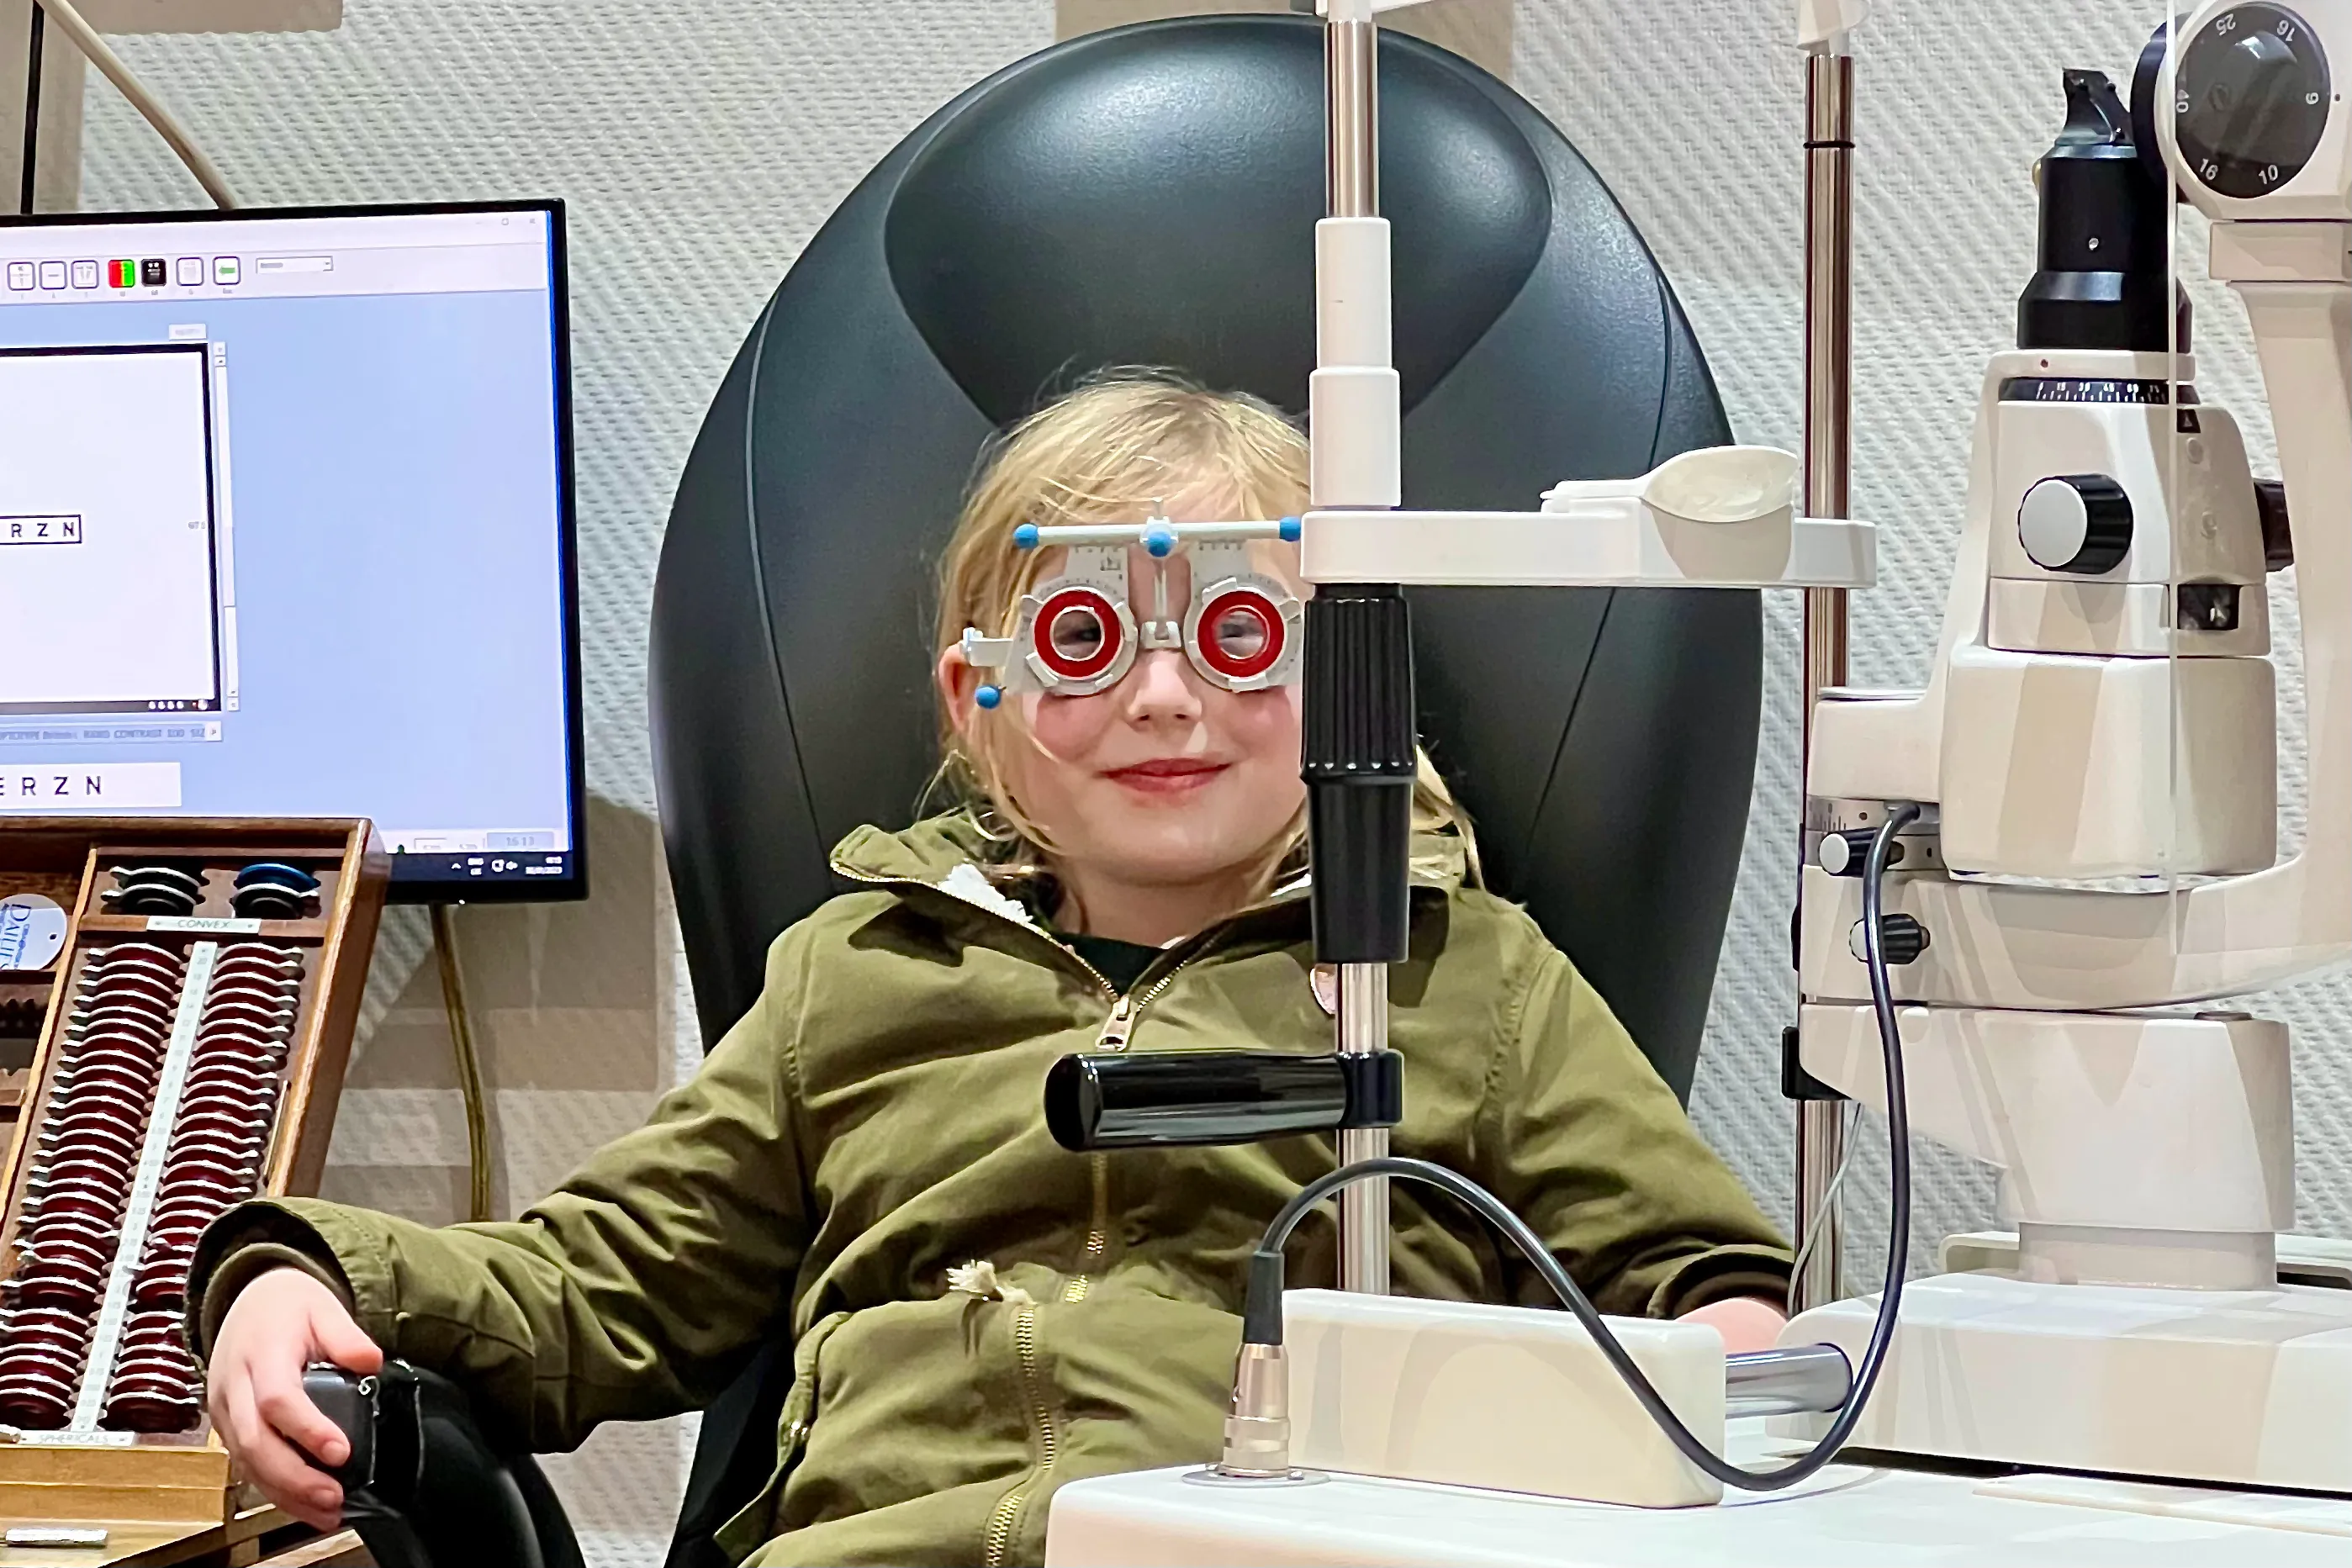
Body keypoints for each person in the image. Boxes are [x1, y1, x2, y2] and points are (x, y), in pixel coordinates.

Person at [193, 372, 1792, 1568]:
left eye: (1240, 632)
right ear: (978, 701)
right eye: (1088, 640)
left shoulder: (1459, 978)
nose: (1165, 699)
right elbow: (596, 1284)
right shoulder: (858, 977)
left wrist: (1713, 1366)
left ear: (1348, 679)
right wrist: (298, 1273)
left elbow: (1705, 1285)